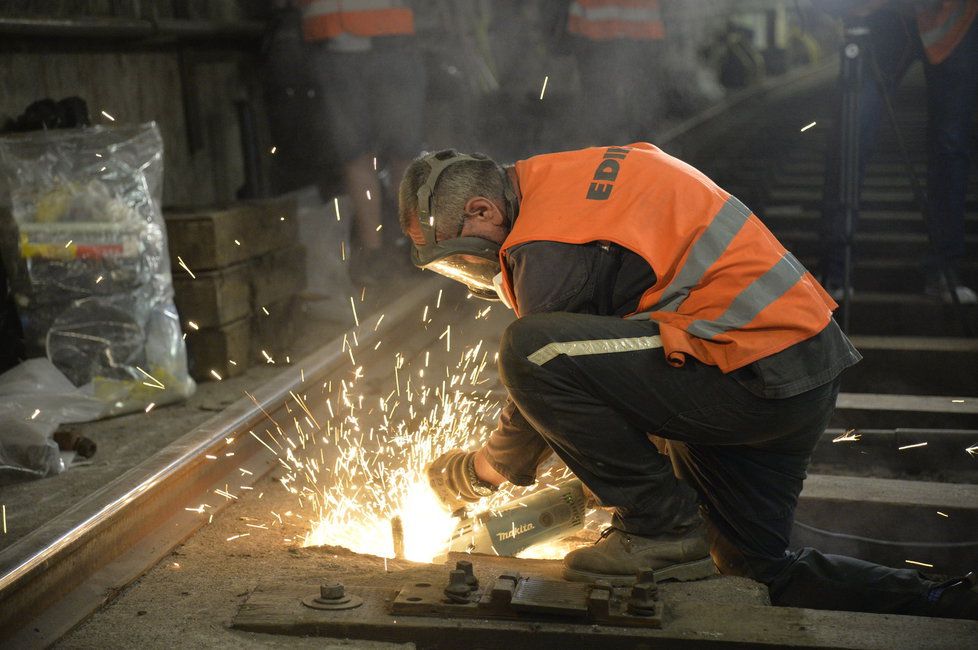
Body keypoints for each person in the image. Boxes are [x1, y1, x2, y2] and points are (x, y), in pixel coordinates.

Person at [398, 145, 977, 618]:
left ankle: (657, 527)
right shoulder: (564, 181)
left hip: (743, 371)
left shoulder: (546, 240)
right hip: (789, 367)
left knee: (530, 349)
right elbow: (611, 362)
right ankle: (944, 599)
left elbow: (548, 369)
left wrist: (480, 473)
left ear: (481, 211)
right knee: (755, 569)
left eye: (459, 257)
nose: (470, 271)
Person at [817, 0, 978, 303]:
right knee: (851, 132)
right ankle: (834, 271)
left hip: (954, 18)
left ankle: (944, 270)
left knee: (951, 143)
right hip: (882, 20)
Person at [299, 0, 426, 280]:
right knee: (354, 152)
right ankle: (375, 255)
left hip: (390, 37)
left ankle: (418, 245)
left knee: (403, 150)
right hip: (331, 40)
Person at [565, 0, 668, 144]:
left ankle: (611, 147)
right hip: (638, 34)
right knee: (634, 101)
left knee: (608, 101)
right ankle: (638, 147)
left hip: (600, 34)